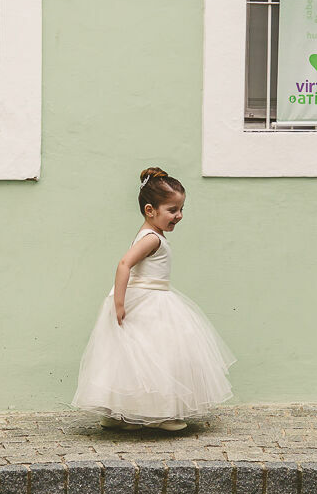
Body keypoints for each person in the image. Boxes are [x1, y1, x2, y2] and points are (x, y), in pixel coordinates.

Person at [72, 167, 234, 431]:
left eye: (182, 209)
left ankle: (126, 414)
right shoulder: (151, 239)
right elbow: (124, 264)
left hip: (153, 298)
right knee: (151, 356)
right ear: (151, 210)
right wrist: (120, 302)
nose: (179, 216)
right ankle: (157, 413)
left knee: (140, 357)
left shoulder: (153, 235)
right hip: (147, 302)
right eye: (172, 210)